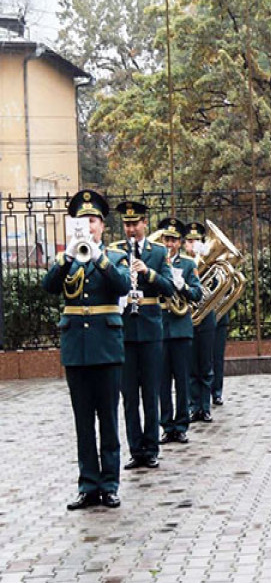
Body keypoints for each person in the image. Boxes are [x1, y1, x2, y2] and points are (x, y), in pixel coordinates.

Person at [42, 190, 131, 510]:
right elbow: (49, 286)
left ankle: (109, 484)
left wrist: (98, 258)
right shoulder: (65, 259)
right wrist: (68, 256)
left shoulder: (116, 257)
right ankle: (87, 484)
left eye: (92, 221)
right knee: (82, 421)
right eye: (82, 221)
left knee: (107, 417)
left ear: (102, 227)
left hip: (106, 347)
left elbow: (123, 286)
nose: (88, 226)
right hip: (76, 348)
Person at [113, 200, 175, 470]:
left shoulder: (158, 252)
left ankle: (151, 448)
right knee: (129, 394)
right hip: (125, 329)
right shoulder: (114, 252)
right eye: (127, 224)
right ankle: (135, 449)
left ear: (144, 224)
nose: (131, 229)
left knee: (150, 391)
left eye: (135, 224)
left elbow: (169, 288)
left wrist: (147, 272)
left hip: (150, 328)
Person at [157, 217, 203, 445]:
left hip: (181, 327)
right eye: (166, 238)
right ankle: (167, 426)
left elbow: (197, 294)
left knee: (182, 380)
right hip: (160, 326)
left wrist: (182, 286)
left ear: (180, 242)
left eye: (174, 240)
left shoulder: (188, 264)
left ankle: (182, 424)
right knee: (162, 381)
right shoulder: (155, 261)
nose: (169, 244)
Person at [185, 223, 217, 425]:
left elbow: (215, 286)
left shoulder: (211, 262)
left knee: (205, 362)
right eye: (189, 241)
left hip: (205, 316)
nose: (193, 244)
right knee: (190, 364)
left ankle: (205, 407)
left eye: (197, 241)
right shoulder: (181, 263)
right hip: (186, 316)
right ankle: (192, 405)